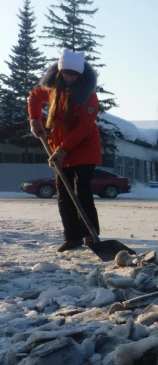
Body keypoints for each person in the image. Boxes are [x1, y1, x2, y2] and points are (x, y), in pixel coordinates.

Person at [28, 49, 102, 252]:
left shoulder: (88, 96)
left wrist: (62, 150)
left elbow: (84, 128)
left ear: (80, 75)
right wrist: (36, 121)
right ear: (60, 71)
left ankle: (90, 234)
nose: (69, 77)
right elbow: (34, 96)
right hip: (60, 149)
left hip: (84, 149)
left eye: (73, 74)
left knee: (82, 190)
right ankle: (72, 237)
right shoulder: (53, 89)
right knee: (63, 194)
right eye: (66, 73)